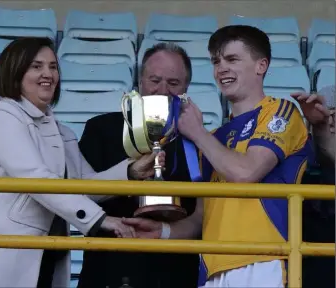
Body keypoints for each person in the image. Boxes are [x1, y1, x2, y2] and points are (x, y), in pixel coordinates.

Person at [124, 25, 314, 287]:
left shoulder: (281, 111)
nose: (221, 68)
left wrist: (198, 133)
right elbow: (202, 216)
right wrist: (163, 232)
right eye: (216, 61)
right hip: (211, 269)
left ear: (261, 66)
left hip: (263, 261)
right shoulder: (215, 137)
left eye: (232, 59)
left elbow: (246, 173)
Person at [0, 37, 163, 288]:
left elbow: (84, 187)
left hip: (47, 253)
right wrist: (100, 220)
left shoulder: (61, 130)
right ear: (14, 72)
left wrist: (129, 171)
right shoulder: (3, 115)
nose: (48, 74)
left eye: (53, 66)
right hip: (7, 253)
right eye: (37, 66)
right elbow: (34, 178)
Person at [77, 42, 201, 288]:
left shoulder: (198, 139)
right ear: (139, 82)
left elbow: (203, 214)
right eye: (155, 80)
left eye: (173, 83)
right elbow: (77, 195)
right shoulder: (100, 129)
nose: (162, 90)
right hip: (108, 267)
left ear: (186, 89)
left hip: (175, 272)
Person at [292, 87, 335, 288]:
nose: (331, 122)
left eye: (334, 115)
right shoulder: (297, 148)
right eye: (328, 114)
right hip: (303, 261)